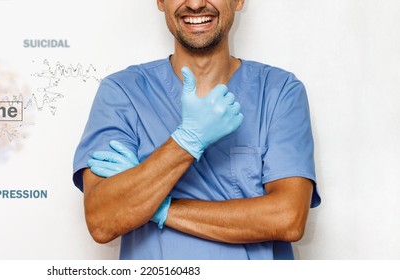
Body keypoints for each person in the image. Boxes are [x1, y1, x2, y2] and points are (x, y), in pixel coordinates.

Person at [72, 0, 321, 260]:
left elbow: (288, 218)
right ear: (160, 2)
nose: (195, 4)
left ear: (238, 1)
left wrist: (160, 208)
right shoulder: (123, 93)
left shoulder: (279, 92)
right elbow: (102, 221)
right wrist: (187, 142)